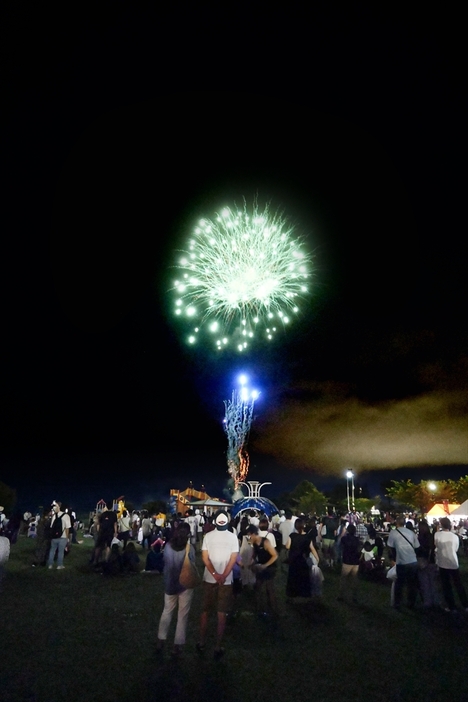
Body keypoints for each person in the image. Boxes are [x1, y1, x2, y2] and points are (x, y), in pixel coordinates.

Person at [198, 509, 239, 659]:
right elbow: (233, 559)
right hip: (226, 581)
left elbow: (204, 558)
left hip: (209, 579)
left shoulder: (208, 536)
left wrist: (214, 574)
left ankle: (201, 642)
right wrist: (223, 575)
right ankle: (217, 645)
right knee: (221, 613)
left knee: (205, 611)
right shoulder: (233, 537)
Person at [156, 523, 196, 656]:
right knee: (182, 616)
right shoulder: (189, 549)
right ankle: (177, 646)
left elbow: (165, 564)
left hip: (169, 584)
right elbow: (192, 566)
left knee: (167, 611)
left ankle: (161, 640)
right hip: (185, 586)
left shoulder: (167, 547)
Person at [434, 517, 468, 613]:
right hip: (453, 562)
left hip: (442, 562)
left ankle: (451, 606)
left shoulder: (437, 535)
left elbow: (436, 545)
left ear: (441, 524)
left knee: (446, 586)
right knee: (458, 584)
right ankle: (465, 604)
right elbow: (456, 549)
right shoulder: (454, 536)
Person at [386, 515, 420, 610]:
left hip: (401, 561)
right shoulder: (411, 533)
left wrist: (392, 559)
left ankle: (397, 603)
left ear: (396, 523)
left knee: (399, 583)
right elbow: (417, 547)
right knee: (412, 584)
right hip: (412, 561)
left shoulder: (393, 533)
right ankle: (411, 602)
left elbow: (390, 547)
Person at [247, 524, 279, 615]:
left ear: (253, 534)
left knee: (269, 588)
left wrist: (265, 565)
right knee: (257, 586)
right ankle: (259, 608)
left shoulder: (265, 542)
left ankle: (274, 610)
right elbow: (254, 554)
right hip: (261, 566)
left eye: (249, 535)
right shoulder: (254, 543)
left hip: (270, 567)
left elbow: (275, 555)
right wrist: (251, 563)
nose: (248, 537)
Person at [285, 518, 320, 599]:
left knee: (293, 578)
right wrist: (317, 559)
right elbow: (312, 548)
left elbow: (287, 546)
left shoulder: (292, 535)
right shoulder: (307, 537)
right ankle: (304, 594)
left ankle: (292, 595)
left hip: (293, 559)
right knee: (303, 577)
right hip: (303, 559)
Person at [337, 524, 362, 603]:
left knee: (344, 579)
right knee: (354, 580)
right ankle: (354, 596)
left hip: (347, 560)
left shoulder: (344, 539)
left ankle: (341, 596)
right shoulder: (357, 540)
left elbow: (339, 546)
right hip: (355, 561)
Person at [47, 501, 71, 570]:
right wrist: (67, 538)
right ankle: (59, 565)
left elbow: (51, 527)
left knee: (52, 550)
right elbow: (67, 528)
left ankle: (50, 565)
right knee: (61, 551)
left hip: (54, 536)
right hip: (62, 537)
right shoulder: (66, 516)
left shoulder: (54, 516)